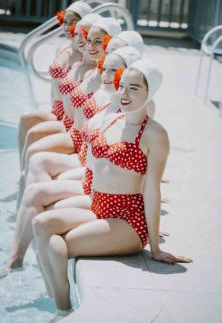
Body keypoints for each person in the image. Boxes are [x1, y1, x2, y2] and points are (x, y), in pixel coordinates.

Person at [31, 58, 192, 316]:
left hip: (127, 218)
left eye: (134, 88)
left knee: (57, 244)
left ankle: (63, 311)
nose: (124, 93)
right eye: (123, 86)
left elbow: (152, 189)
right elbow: (92, 167)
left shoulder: (154, 134)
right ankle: (53, 299)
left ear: (149, 92)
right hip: (98, 205)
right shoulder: (111, 121)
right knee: (40, 224)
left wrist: (155, 245)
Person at [0, 46, 141, 279]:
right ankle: (17, 257)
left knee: (40, 199)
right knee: (34, 187)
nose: (106, 74)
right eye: (105, 68)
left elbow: (140, 164)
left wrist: (152, 237)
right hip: (92, 180)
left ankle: (28, 258)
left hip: (108, 199)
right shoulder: (106, 98)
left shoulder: (133, 117)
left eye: (113, 70)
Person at [16, 13, 101, 212]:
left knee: (35, 152)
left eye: (87, 35)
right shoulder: (79, 64)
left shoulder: (98, 74)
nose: (80, 38)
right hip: (66, 120)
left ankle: (25, 206)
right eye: (78, 33)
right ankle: (20, 204)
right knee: (27, 127)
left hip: (77, 134)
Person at [18, 2, 92, 169]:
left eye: (73, 22)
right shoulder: (61, 47)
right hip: (56, 110)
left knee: (33, 135)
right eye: (65, 21)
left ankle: (28, 171)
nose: (67, 26)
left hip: (70, 118)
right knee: (25, 119)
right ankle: (23, 170)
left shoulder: (87, 57)